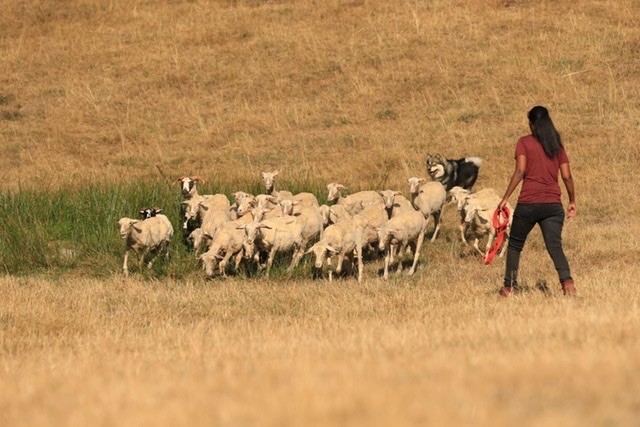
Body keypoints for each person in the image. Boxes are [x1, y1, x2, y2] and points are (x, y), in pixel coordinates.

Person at [497, 106, 576, 297]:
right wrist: (572, 200)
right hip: (552, 205)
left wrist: (505, 197)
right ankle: (568, 284)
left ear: (532, 124)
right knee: (554, 246)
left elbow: (520, 170)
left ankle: (509, 288)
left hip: (528, 203)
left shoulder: (524, 142)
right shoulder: (557, 146)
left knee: (515, 245)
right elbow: (566, 176)